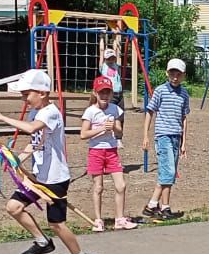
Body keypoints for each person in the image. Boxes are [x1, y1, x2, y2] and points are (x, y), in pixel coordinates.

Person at [0, 69, 89, 254]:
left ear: (42, 93)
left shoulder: (50, 112)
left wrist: (3, 118)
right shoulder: (36, 112)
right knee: (13, 207)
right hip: (37, 177)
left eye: (27, 94)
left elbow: (31, 128)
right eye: (22, 95)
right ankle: (43, 242)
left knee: (56, 224)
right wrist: (16, 160)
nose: (24, 99)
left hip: (55, 179)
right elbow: (35, 144)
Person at [81, 76, 136, 232]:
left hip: (111, 151)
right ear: (95, 93)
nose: (104, 96)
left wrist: (113, 128)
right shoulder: (90, 111)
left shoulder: (114, 109)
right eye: (101, 93)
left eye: (107, 93)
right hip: (96, 151)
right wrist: (101, 129)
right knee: (98, 187)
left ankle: (119, 218)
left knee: (121, 185)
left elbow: (120, 130)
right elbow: (83, 134)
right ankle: (98, 220)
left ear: (111, 94)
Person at [142, 58, 191, 220]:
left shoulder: (184, 94)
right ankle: (164, 206)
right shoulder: (161, 91)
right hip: (163, 136)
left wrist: (184, 142)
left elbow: (184, 117)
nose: (175, 77)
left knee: (167, 172)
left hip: (176, 136)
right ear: (167, 73)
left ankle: (152, 205)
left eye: (178, 74)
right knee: (169, 171)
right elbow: (150, 112)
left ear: (183, 75)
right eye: (172, 73)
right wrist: (145, 136)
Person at [99, 41, 125, 111]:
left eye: (112, 58)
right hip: (110, 93)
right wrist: (102, 38)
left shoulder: (116, 65)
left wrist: (116, 36)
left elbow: (116, 50)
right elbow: (101, 51)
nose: (111, 60)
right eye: (108, 58)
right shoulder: (103, 66)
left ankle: (120, 121)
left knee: (121, 113)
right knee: (111, 112)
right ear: (105, 59)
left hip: (119, 92)